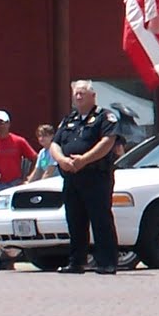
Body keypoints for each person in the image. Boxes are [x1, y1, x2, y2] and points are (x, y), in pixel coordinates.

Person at [49, 79, 121, 275]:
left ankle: (106, 262)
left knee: (100, 220)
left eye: (82, 93)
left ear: (93, 96)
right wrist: (62, 160)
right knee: (75, 220)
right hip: (71, 178)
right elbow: (54, 144)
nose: (78, 97)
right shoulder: (69, 119)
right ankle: (76, 262)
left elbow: (108, 142)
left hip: (96, 177)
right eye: (76, 94)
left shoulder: (105, 117)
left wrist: (85, 160)